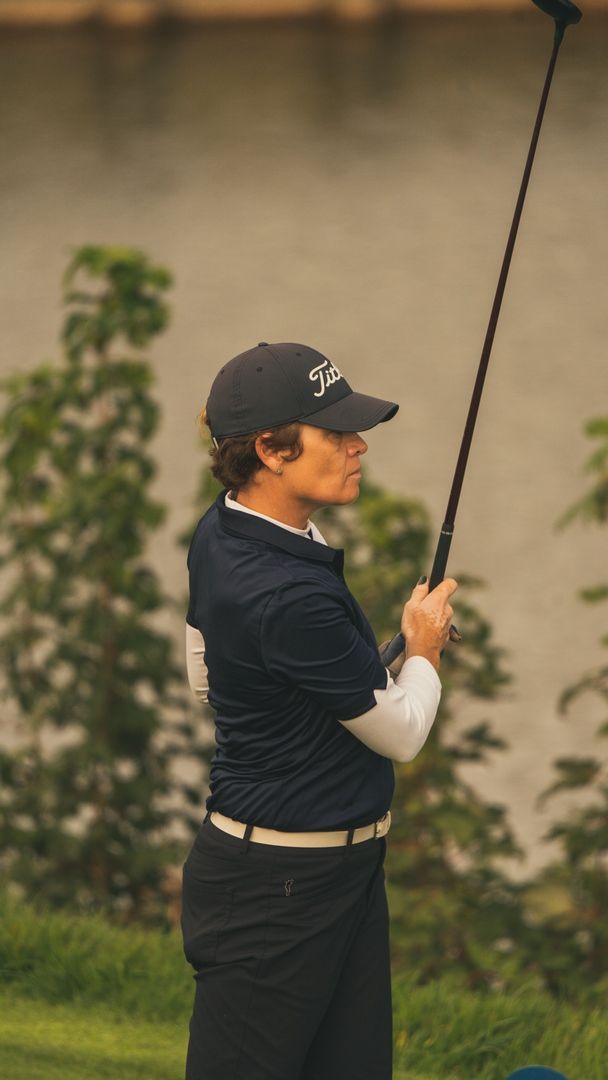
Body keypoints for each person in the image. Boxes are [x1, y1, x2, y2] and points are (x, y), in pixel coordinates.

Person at [181, 341, 457, 1080]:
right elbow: (403, 733)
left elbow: (205, 674)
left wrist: (308, 693)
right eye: (335, 433)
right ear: (271, 450)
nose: (358, 445)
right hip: (276, 891)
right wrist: (423, 646)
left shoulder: (226, 527)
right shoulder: (288, 595)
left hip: (339, 871)